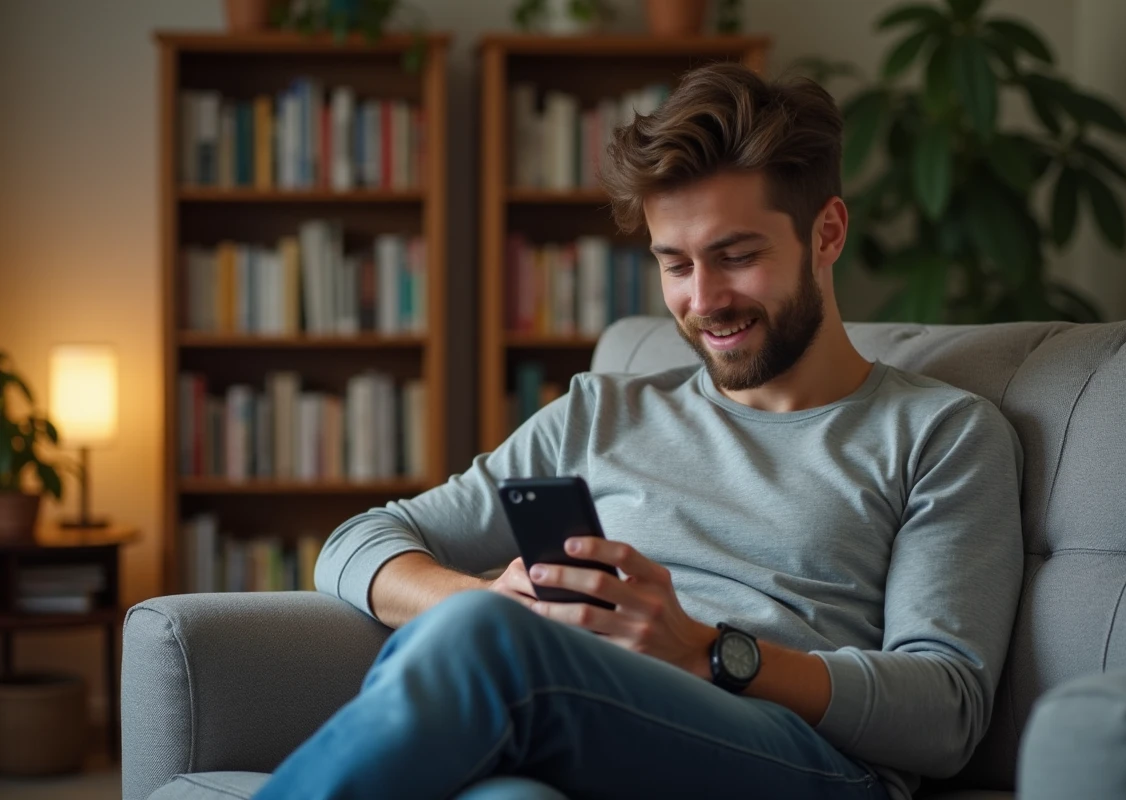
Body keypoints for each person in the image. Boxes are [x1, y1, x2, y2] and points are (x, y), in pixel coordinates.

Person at [254, 63, 1024, 800]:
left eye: (736, 255)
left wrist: (709, 650)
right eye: (676, 264)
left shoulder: (941, 434)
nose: (704, 299)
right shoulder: (601, 411)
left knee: (487, 643)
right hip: (586, 724)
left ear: (826, 234)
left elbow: (947, 709)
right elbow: (359, 542)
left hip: (806, 761)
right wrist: (488, 598)